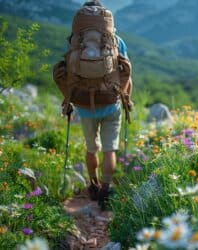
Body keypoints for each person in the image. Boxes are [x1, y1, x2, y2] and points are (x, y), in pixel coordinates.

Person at [54, 0, 133, 210]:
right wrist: (127, 99)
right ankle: (106, 190)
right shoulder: (116, 41)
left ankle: (93, 185)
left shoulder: (75, 41)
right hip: (111, 102)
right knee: (109, 150)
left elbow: (68, 72)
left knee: (91, 149)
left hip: (84, 105)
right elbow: (126, 71)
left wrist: (68, 98)